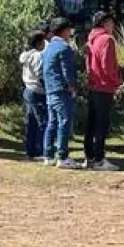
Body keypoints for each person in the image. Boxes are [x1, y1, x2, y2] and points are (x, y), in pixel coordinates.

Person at [42, 17, 82, 169]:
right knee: (64, 121)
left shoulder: (49, 47)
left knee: (52, 122)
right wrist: (73, 86)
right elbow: (67, 71)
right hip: (61, 90)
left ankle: (48, 154)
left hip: (50, 89)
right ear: (64, 31)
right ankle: (62, 156)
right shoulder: (64, 48)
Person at [84, 11, 122, 170]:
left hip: (93, 85)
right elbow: (108, 65)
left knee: (91, 123)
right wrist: (117, 81)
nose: (113, 26)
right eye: (111, 22)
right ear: (105, 22)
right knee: (101, 124)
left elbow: (87, 64)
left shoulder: (91, 39)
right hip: (104, 86)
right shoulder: (106, 40)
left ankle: (90, 156)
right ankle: (99, 158)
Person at [19, 30, 48, 160]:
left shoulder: (25, 55)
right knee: (43, 121)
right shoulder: (37, 56)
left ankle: (30, 149)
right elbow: (40, 73)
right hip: (37, 91)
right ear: (38, 42)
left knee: (31, 121)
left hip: (28, 89)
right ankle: (39, 150)